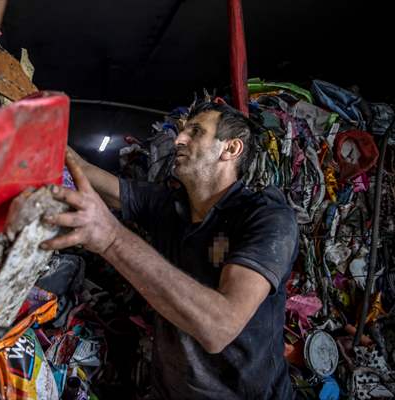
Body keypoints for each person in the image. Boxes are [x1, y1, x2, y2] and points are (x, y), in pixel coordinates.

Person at [40, 101, 298, 399]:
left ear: (231, 149)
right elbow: (84, 171)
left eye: (196, 131)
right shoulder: (169, 205)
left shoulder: (267, 218)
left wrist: (110, 238)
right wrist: (36, 133)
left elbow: (219, 327)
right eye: (182, 131)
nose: (178, 139)